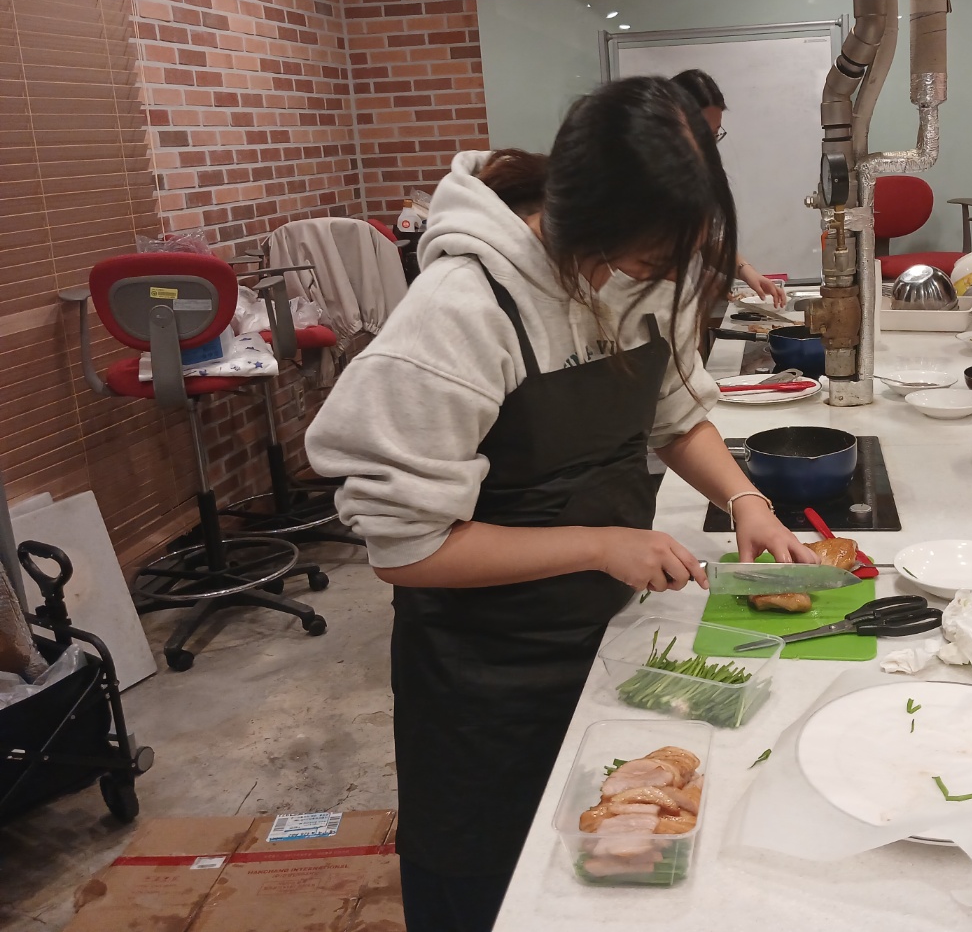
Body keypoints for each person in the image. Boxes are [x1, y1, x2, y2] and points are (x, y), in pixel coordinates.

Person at [306, 77, 814, 932]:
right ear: (588, 226)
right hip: (483, 675)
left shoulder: (639, 273)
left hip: (607, 633)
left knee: (608, 866)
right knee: (485, 880)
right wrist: (600, 544)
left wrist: (745, 499)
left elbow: (675, 411)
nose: (660, 281)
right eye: (647, 264)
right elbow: (407, 547)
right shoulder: (461, 312)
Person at [671, 68, 788, 307]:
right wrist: (700, 280)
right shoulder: (646, 177)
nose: (709, 147)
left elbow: (706, 240)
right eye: (702, 135)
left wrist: (745, 270)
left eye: (714, 135)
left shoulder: (698, 173)